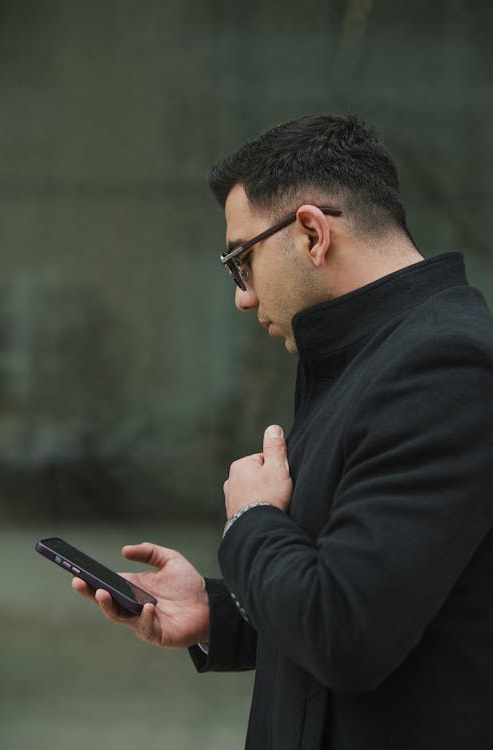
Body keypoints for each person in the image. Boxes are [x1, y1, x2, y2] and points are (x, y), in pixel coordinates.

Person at [73, 114, 493, 749]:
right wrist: (221, 610)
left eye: (240, 260)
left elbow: (345, 633)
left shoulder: (441, 368)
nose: (242, 297)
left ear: (311, 234)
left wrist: (251, 522)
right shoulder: (372, 358)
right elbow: (376, 593)